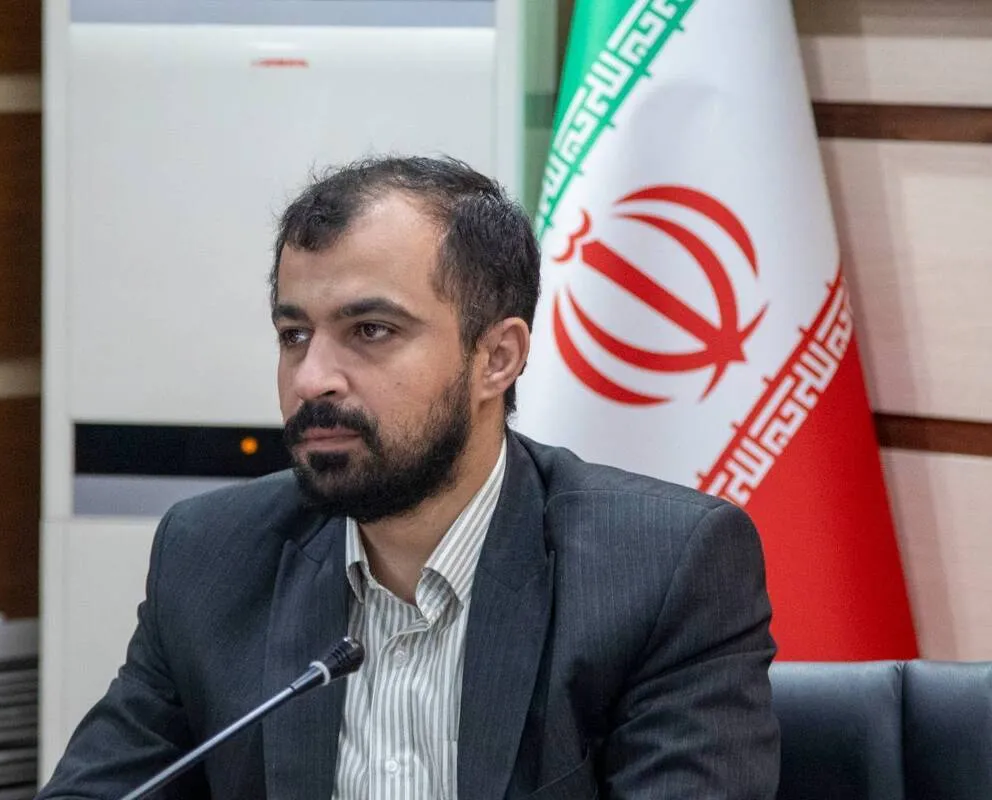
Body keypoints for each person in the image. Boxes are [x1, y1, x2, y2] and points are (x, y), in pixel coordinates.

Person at [38, 156, 779, 799]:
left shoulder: (658, 570)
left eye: (371, 331)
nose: (312, 379)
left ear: (497, 358)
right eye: (294, 335)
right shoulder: (211, 558)